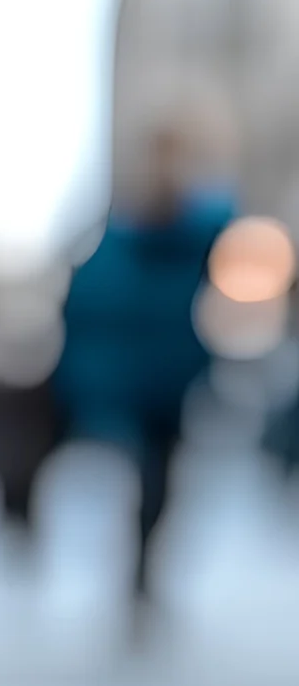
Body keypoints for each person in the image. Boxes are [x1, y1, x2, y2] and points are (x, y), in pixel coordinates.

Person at [53, 124, 231, 639]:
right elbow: (90, 304)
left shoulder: (193, 226)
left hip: (169, 378)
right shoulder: (134, 231)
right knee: (152, 479)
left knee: (159, 480)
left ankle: (142, 575)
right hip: (144, 379)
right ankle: (140, 576)